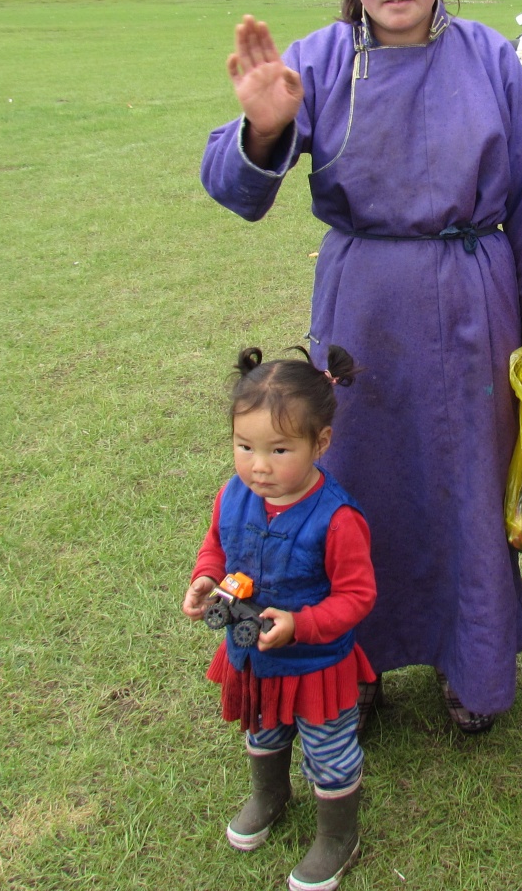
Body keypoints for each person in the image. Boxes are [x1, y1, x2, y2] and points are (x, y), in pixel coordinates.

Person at [199, 0, 522, 734]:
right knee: (356, 486)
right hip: (360, 313)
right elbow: (234, 188)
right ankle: (351, 667)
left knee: (465, 489)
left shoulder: (489, 59)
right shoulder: (320, 60)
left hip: (474, 306)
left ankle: (469, 663)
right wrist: (263, 131)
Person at [182, 346, 375, 890]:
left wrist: (303, 624)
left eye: (279, 449)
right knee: (263, 729)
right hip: (253, 655)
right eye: (244, 446)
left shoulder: (337, 519)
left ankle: (338, 834)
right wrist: (204, 578)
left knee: (328, 750)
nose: (258, 465)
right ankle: (269, 793)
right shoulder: (233, 495)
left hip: (315, 665)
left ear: (322, 443)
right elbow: (217, 547)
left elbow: (357, 597)